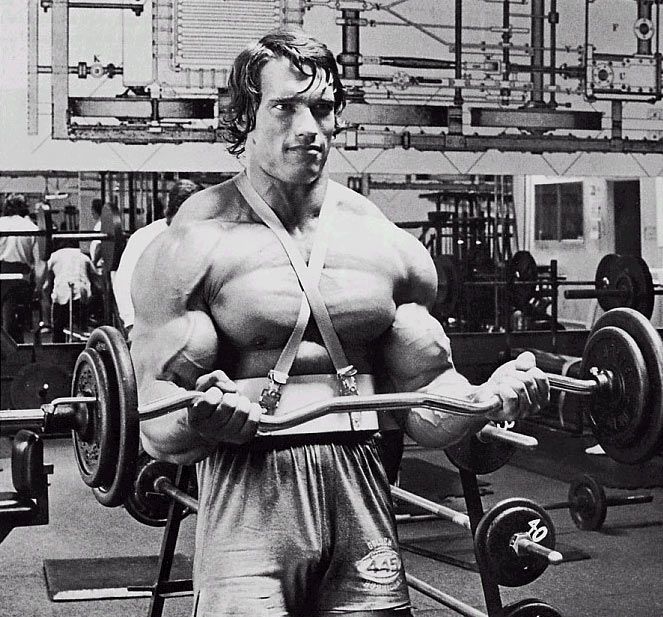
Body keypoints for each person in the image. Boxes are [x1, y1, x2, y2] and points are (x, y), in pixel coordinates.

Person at [130, 29, 549, 617]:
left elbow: (426, 403)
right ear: (245, 117)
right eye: (285, 107)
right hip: (250, 493)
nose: (309, 127)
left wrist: (485, 399)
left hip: (362, 486)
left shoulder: (384, 243)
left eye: (323, 108)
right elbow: (154, 421)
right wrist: (202, 419)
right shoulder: (193, 243)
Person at [112, 179, 202, 336]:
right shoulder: (145, 238)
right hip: (151, 324)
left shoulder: (205, 236)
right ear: (175, 211)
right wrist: (132, 324)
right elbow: (124, 283)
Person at [0, 194, 46, 342]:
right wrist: (38, 288)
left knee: (8, 324)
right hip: (20, 280)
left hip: (4, 275)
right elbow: (40, 263)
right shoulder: (31, 227)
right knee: (13, 326)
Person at [44, 237, 99, 343]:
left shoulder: (54, 256)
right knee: (82, 328)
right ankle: (84, 344)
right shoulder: (83, 257)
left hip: (61, 293)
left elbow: (46, 279)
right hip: (81, 293)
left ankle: (58, 347)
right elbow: (95, 276)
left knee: (58, 327)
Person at [89, 198, 104, 270]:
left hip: (99, 265)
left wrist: (94, 263)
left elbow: (100, 246)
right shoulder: (99, 224)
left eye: (92, 208)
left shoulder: (100, 225)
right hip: (98, 263)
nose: (91, 211)